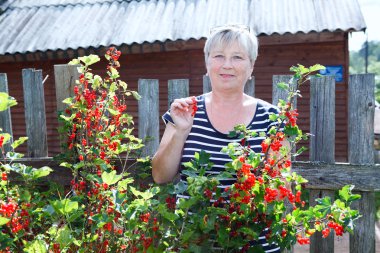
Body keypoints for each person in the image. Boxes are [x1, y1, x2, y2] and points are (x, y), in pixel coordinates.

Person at [152, 24, 281, 252]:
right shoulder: (185, 110)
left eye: (238, 57)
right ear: (207, 63)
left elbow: (280, 189)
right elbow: (161, 176)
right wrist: (181, 131)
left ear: (251, 66)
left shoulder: (272, 118)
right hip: (195, 243)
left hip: (253, 243)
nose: (227, 65)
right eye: (219, 56)